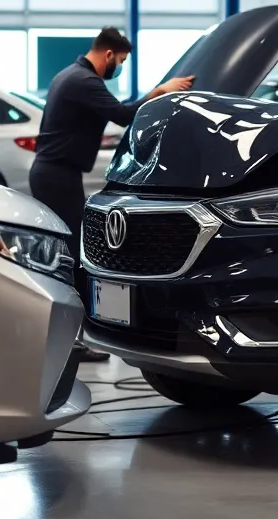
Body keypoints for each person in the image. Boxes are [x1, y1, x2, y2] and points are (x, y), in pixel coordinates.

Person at [30, 27, 194, 362]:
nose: (117, 66)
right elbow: (122, 115)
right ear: (108, 54)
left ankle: (66, 335)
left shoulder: (68, 76)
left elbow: (80, 124)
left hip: (53, 172)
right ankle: (75, 339)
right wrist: (161, 91)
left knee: (65, 253)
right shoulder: (84, 81)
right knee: (74, 256)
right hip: (57, 175)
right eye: (119, 61)